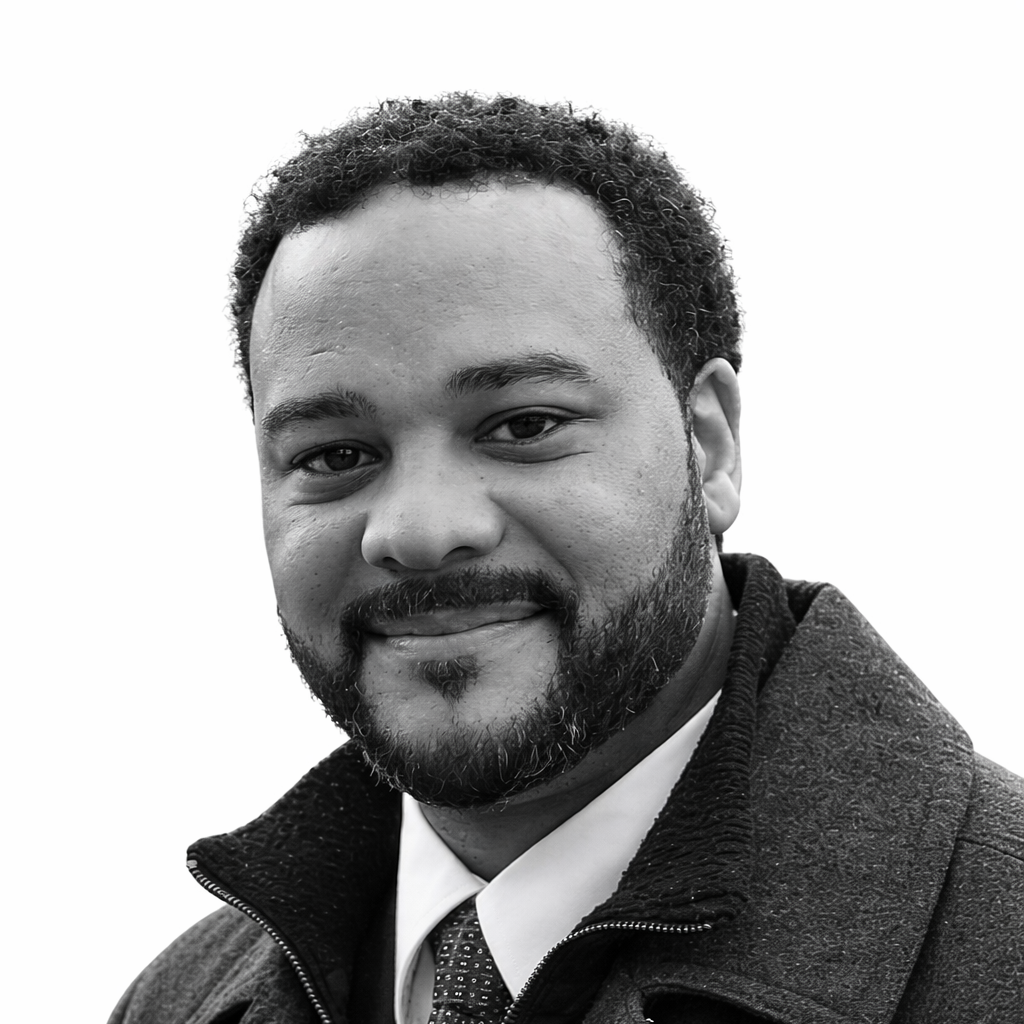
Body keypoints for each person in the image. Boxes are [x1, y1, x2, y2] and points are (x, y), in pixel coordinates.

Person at [109, 94, 1024, 1024]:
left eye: (524, 425)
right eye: (333, 456)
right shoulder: (176, 1002)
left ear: (706, 445)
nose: (418, 531)